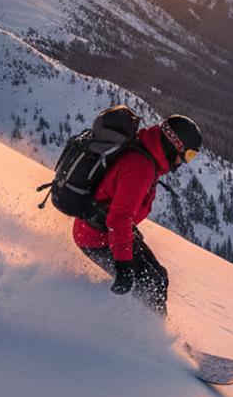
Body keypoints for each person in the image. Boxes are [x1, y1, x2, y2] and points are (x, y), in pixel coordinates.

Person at [73, 114, 203, 315]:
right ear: (174, 145)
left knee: (158, 277)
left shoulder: (147, 155)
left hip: (105, 229)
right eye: (187, 155)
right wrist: (123, 264)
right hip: (96, 236)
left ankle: (154, 328)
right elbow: (119, 218)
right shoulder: (140, 167)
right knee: (150, 285)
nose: (184, 162)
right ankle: (141, 336)